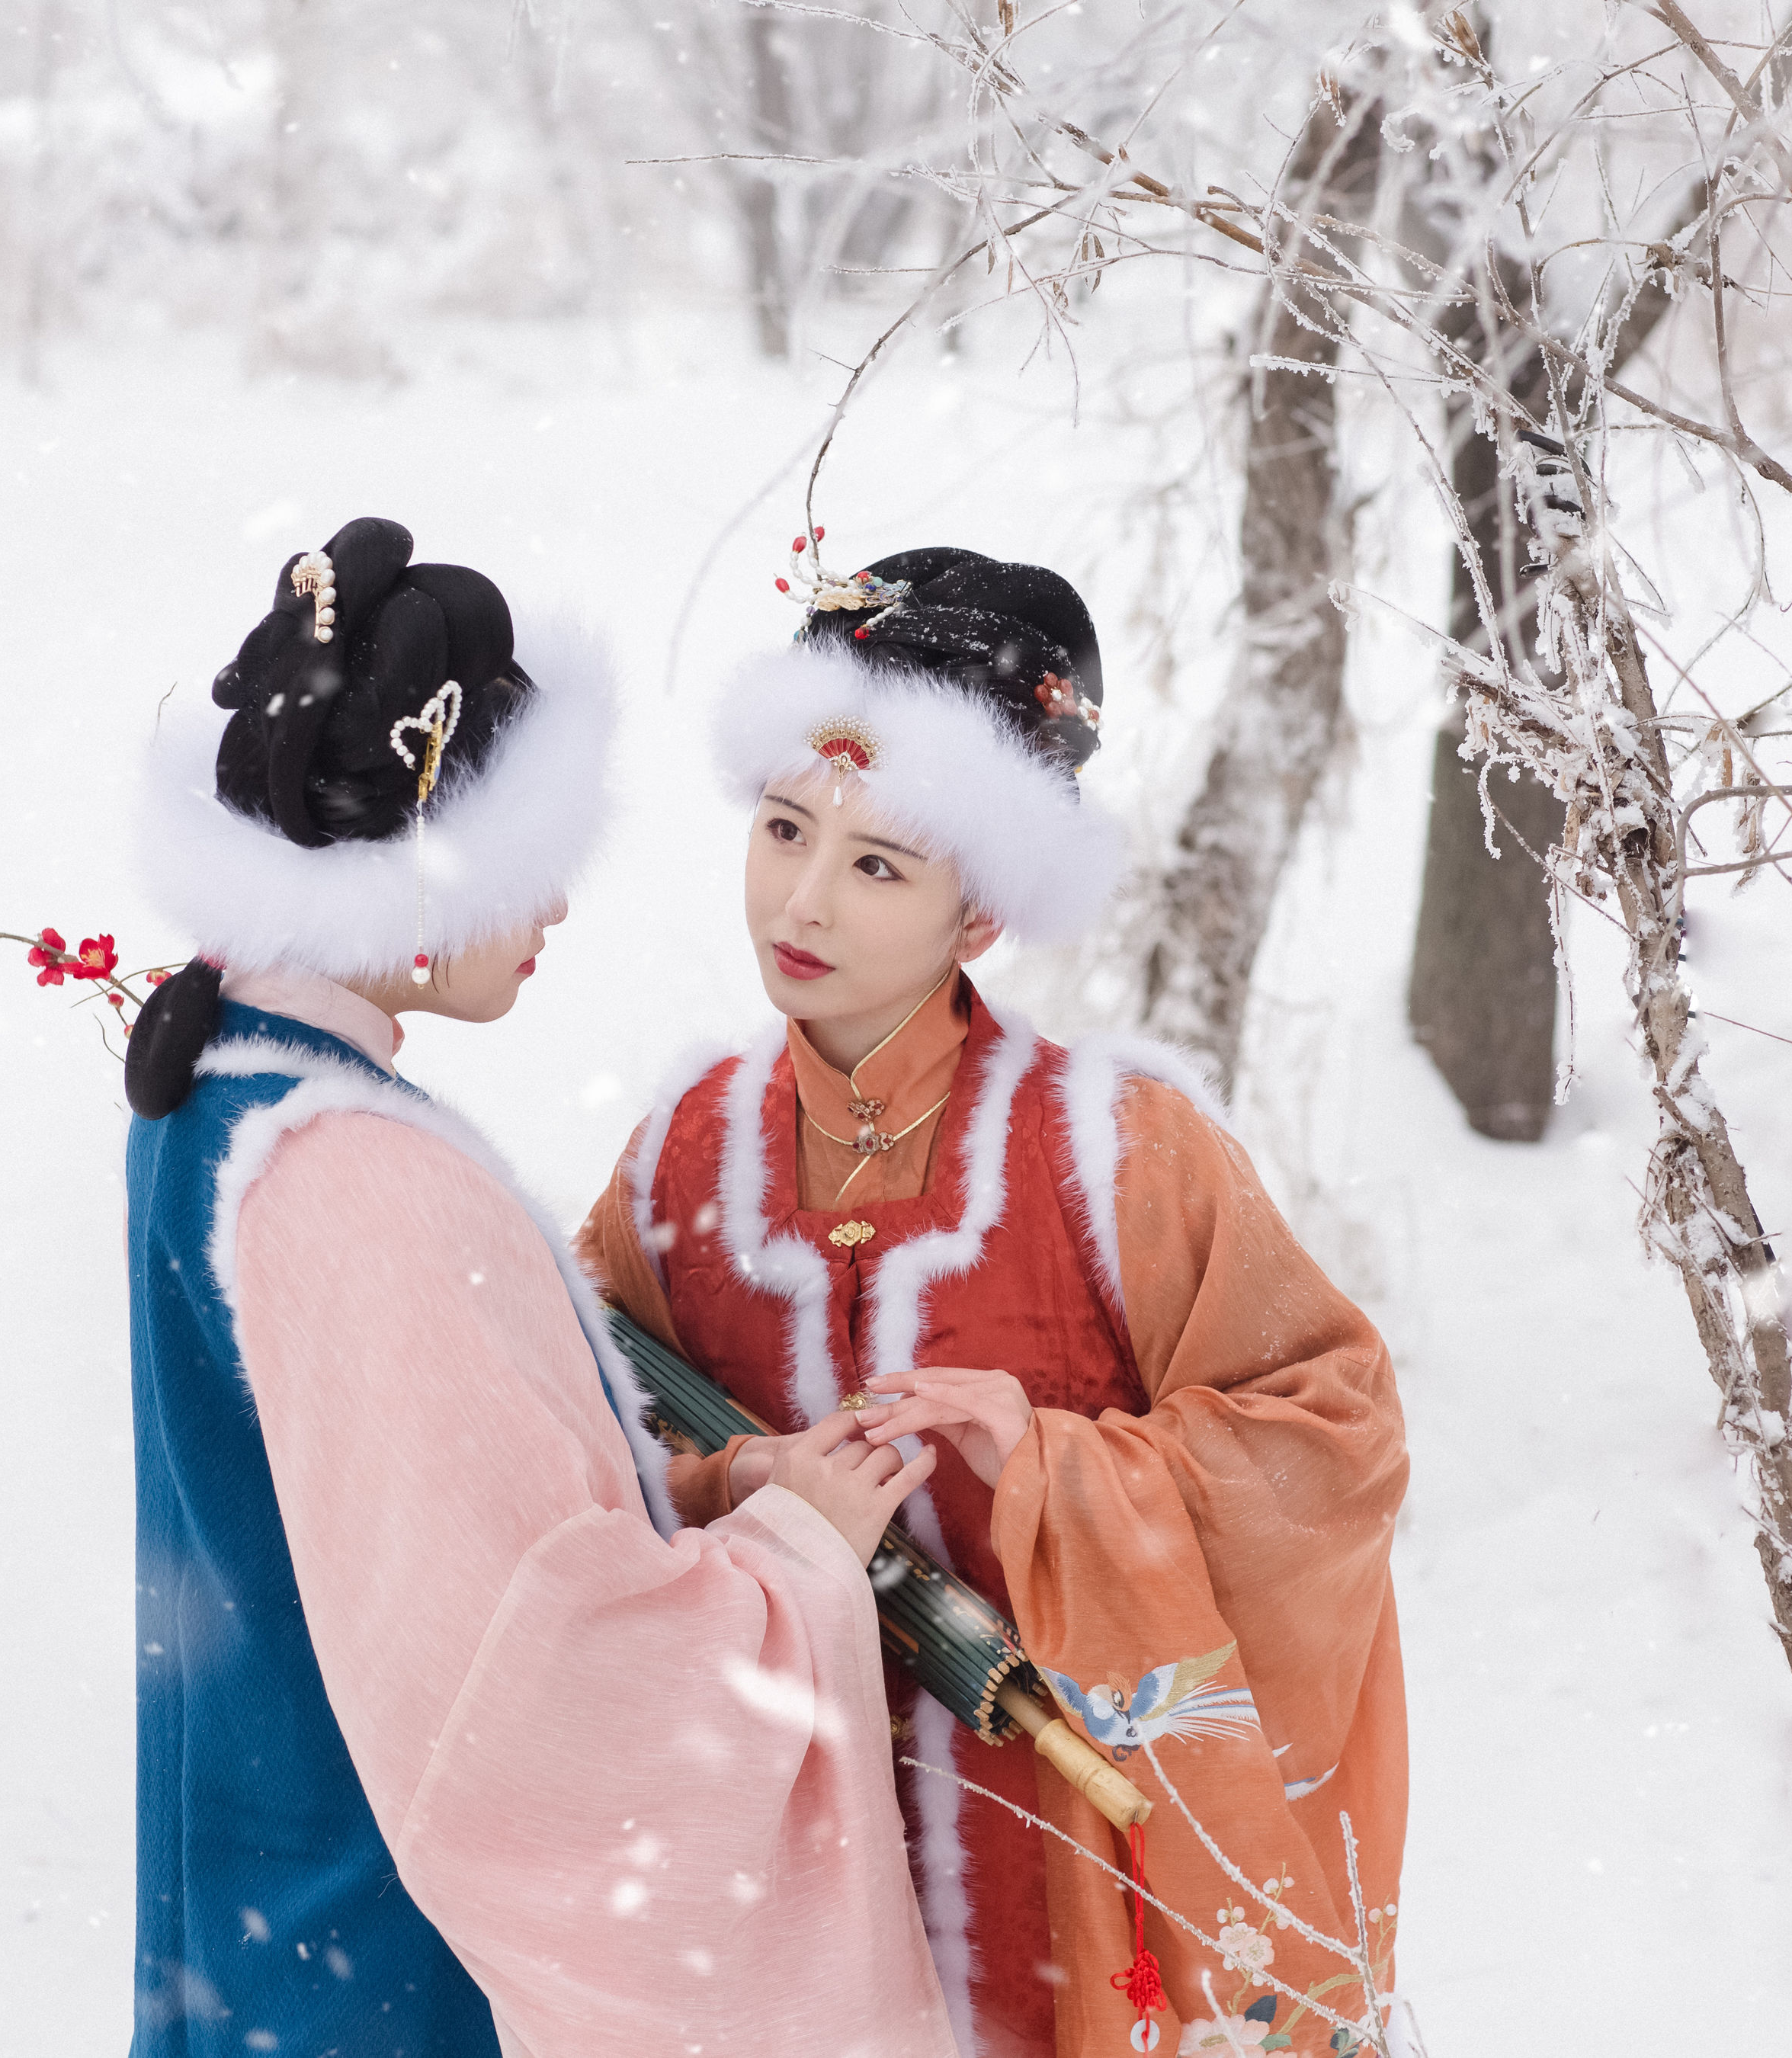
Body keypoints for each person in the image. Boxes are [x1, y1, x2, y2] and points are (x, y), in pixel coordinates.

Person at [120, 517, 955, 2058]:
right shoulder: (357, 1174)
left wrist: (694, 1497)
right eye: (535, 857)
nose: (560, 907)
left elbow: (405, 1537)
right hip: (391, 1952)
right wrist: (790, 1557)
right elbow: (542, 1689)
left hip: (268, 1901)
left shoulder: (218, 1080)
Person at [577, 547, 1410, 2058]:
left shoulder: (1117, 1154)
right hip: (784, 1888)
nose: (802, 898)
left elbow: (1336, 1443)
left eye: (879, 863)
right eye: (782, 829)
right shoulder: (683, 1155)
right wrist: (743, 1487)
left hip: (1069, 1883)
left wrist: (1058, 1471)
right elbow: (574, 1460)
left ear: (982, 916)